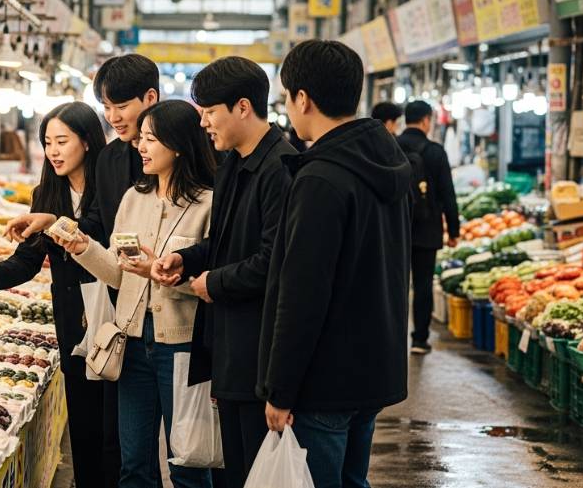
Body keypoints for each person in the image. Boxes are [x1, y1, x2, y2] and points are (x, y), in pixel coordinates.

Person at [258, 40, 411, 488]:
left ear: (303, 98)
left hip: (324, 379)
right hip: (372, 369)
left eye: (287, 97)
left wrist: (280, 389)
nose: (288, 108)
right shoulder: (387, 162)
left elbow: (303, 293)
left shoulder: (320, 178)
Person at [50, 100, 215, 488]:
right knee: (134, 464)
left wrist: (161, 274)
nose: (140, 146)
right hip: (133, 343)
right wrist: (84, 248)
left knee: (188, 464)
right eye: (141, 138)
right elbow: (117, 274)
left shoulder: (208, 204)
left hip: (182, 347)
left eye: (151, 139)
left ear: (178, 144)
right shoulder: (133, 199)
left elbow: (210, 284)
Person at [0, 102, 119, 488]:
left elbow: (95, 231)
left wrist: (53, 222)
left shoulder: (111, 187)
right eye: (48, 142)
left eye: (62, 141)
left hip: (114, 320)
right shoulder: (45, 192)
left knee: (115, 436)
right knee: (84, 432)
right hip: (73, 324)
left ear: (87, 141)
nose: (53, 151)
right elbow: (28, 260)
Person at [151, 56, 295, 488]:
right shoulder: (232, 162)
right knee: (231, 472)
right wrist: (188, 259)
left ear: (243, 107)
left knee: (255, 472)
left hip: (258, 352)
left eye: (210, 112)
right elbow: (225, 243)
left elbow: (275, 261)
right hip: (228, 348)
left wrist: (213, 282)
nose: (204, 123)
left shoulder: (281, 169)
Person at [4, 53, 160, 246]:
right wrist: (53, 223)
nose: (113, 117)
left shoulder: (177, 152)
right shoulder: (109, 158)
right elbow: (96, 228)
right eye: (107, 107)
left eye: (121, 106)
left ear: (150, 98)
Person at [397, 100, 460, 355]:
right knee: (423, 284)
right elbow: (448, 194)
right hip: (427, 228)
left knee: (395, 284)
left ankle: (392, 338)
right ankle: (419, 340)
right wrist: (453, 231)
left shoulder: (391, 146)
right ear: (426, 121)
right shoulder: (435, 152)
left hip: (395, 229)